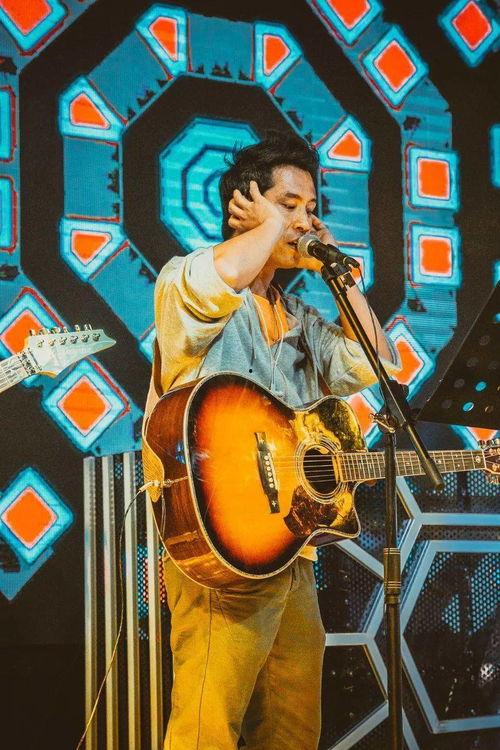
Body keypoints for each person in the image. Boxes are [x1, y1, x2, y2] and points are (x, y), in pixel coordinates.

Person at [143, 131, 399, 750]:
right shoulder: (187, 278)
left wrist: (339, 276)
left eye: (310, 209)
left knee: (293, 728)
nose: (304, 221)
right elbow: (219, 279)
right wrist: (269, 227)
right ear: (246, 203)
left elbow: (377, 364)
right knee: (207, 727)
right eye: (289, 205)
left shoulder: (302, 319)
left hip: (291, 548)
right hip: (219, 548)